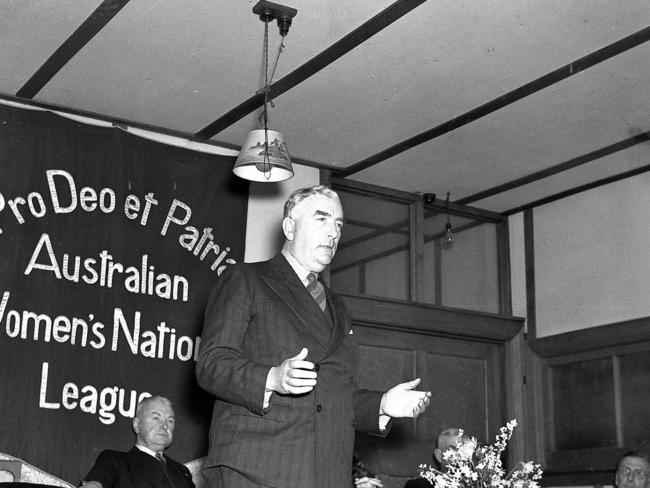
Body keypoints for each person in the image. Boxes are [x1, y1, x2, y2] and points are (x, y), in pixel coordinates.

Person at [196, 185, 432, 488]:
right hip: (258, 468)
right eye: (321, 219)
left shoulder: (337, 305)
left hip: (327, 472)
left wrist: (382, 404)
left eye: (338, 224)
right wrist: (272, 378)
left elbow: (332, 394)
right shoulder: (246, 279)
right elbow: (211, 364)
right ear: (290, 227)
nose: (333, 232)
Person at [80, 395, 195, 488]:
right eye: (156, 418)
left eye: (170, 421)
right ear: (136, 425)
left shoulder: (182, 472)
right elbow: (95, 483)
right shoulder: (116, 460)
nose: (164, 426)